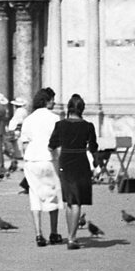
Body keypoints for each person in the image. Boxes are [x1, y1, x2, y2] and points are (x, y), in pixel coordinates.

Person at [49, 94, 99, 249]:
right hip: (81, 161)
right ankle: (72, 237)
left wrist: (58, 156)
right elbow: (94, 147)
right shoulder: (88, 126)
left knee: (69, 199)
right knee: (77, 200)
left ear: (69, 108)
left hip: (66, 160)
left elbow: (51, 145)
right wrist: (97, 164)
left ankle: (70, 234)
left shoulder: (60, 125)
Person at [19, 87, 62, 245]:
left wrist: (26, 159)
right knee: (53, 194)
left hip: (32, 159)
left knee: (35, 195)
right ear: (46, 100)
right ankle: (54, 232)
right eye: (52, 99)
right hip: (49, 159)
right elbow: (58, 142)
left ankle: (38, 233)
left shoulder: (28, 119)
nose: (54, 102)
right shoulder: (55, 118)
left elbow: (24, 143)